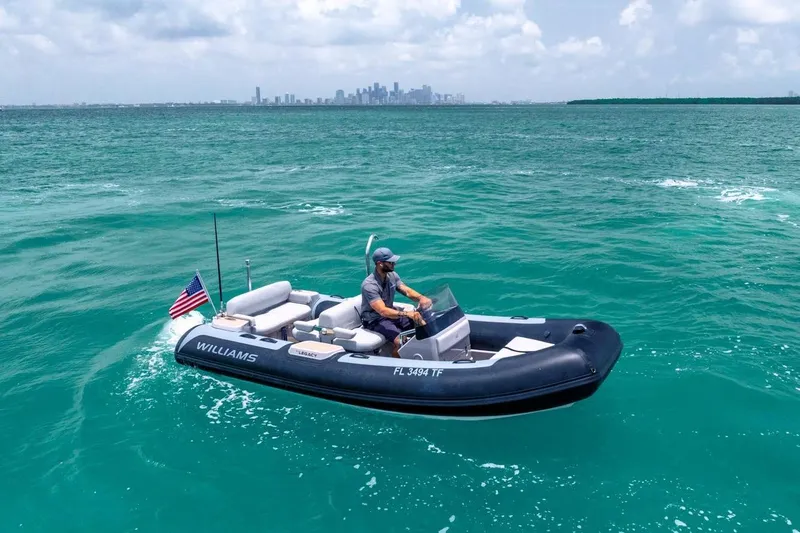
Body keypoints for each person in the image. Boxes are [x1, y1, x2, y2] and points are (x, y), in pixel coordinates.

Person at [361, 247, 432, 358]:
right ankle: (394, 362)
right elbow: (383, 311)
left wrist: (421, 298)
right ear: (380, 264)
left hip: (391, 314)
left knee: (423, 323)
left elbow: (406, 291)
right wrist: (407, 314)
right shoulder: (369, 285)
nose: (394, 264)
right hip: (375, 320)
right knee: (401, 341)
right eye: (390, 262)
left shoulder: (392, 275)